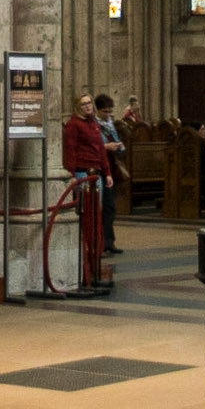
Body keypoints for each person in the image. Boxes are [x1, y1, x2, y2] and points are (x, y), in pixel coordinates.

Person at [63, 90, 114, 272]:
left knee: (96, 212)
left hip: (96, 173)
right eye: (83, 104)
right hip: (81, 173)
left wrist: (107, 172)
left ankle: (96, 248)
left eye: (89, 103)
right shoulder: (73, 125)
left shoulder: (94, 123)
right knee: (85, 212)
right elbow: (70, 150)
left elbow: (100, 150)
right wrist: (71, 174)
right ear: (78, 106)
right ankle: (85, 248)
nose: (87, 106)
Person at [94, 95, 126, 252]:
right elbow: (93, 146)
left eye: (110, 112)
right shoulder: (93, 125)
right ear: (97, 110)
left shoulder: (110, 125)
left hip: (110, 168)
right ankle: (99, 243)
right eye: (105, 112)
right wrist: (107, 147)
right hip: (97, 168)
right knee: (99, 206)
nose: (108, 115)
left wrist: (119, 147)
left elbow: (119, 144)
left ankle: (109, 241)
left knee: (110, 206)